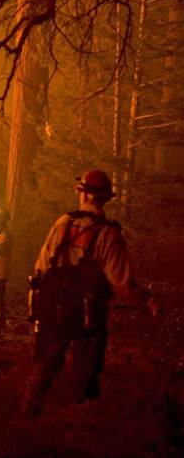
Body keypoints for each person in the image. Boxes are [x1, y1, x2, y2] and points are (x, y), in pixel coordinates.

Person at [23, 170, 161, 417]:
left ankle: (29, 413)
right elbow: (121, 281)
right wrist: (148, 301)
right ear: (105, 198)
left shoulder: (63, 222)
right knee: (86, 368)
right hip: (88, 308)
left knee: (46, 363)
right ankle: (81, 419)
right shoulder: (108, 233)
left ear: (83, 194)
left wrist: (37, 304)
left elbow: (42, 266)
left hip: (53, 302)